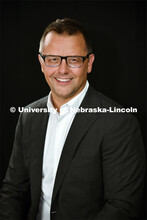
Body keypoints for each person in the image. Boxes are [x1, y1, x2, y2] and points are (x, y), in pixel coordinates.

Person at [0, 18, 145, 220]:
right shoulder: (29, 116)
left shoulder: (119, 123)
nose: (62, 69)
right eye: (53, 59)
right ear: (42, 63)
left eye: (74, 59)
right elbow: (13, 191)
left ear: (89, 63)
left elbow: (122, 207)